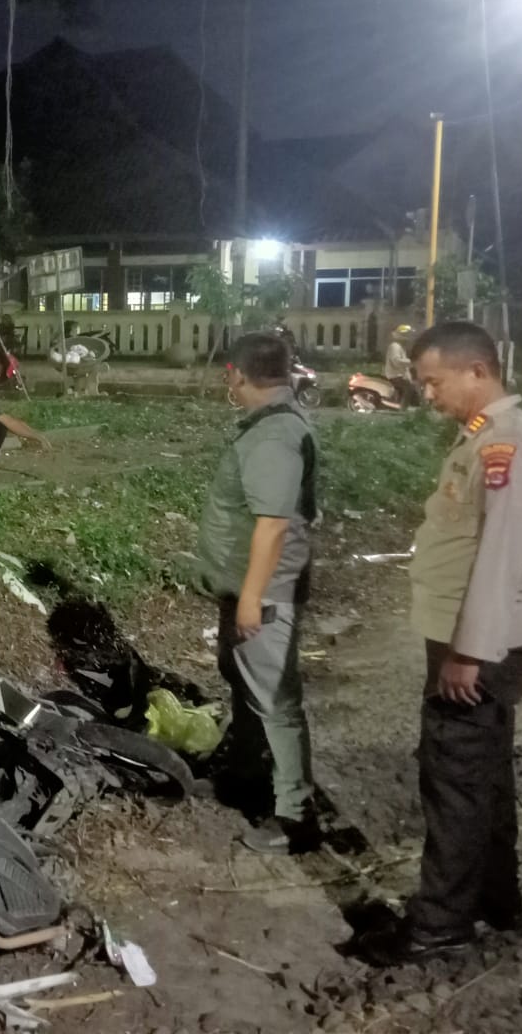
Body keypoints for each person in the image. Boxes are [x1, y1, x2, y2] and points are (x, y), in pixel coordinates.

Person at [358, 322, 522, 966]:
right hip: (475, 639)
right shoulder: (485, 439)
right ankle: (496, 901)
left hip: (476, 647)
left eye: (433, 381)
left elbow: (497, 556)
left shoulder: (506, 447)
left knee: (454, 782)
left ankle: (440, 923)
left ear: (477, 371)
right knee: (484, 777)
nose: (427, 394)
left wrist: (468, 652)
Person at [196, 332, 320, 854]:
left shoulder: (273, 437)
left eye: (230, 375)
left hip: (262, 592)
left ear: (238, 375)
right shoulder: (271, 427)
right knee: (249, 690)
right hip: (248, 586)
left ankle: (295, 816)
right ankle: (246, 778)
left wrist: (251, 597)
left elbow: (271, 526)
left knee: (274, 701)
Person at [384, 323, 416, 406]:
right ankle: (402, 408)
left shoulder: (400, 347)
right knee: (409, 388)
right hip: (395, 375)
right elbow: (396, 361)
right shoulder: (395, 346)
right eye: (406, 335)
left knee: (412, 386)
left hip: (398, 375)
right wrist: (412, 362)